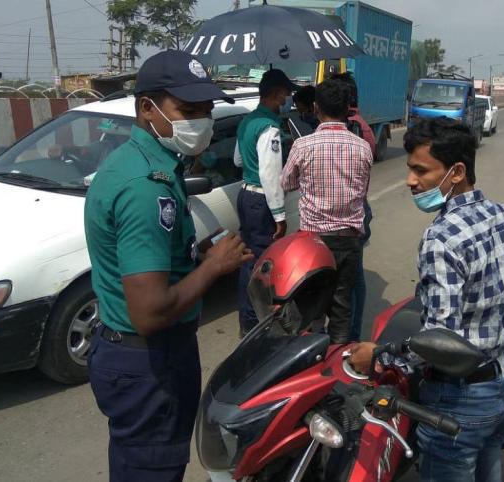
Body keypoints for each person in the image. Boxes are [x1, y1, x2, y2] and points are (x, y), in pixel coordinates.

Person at [349, 118, 504, 482]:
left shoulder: (441, 239)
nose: (410, 181)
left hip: (458, 403)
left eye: (421, 170)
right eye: (409, 169)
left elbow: (439, 341)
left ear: (457, 172)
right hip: (500, 390)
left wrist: (379, 354)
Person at [84, 50, 254, 481]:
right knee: (152, 468)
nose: (202, 122)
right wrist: (215, 267)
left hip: (138, 355)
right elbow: (149, 311)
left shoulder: (152, 165)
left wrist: (193, 255)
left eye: (207, 111)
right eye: (188, 110)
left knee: (138, 462)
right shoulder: (146, 187)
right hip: (149, 362)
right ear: (147, 108)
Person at [280, 79, 373, 344]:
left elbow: (286, 183)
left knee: (310, 304)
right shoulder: (362, 147)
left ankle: (310, 359)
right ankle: (338, 359)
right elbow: (362, 191)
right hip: (348, 239)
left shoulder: (303, 145)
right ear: (347, 109)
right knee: (342, 304)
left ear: (316, 108)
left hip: (313, 240)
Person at [234, 69, 298, 334]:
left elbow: (238, 160)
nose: (288, 98)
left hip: (246, 195)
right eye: (285, 93)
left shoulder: (247, 121)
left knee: (248, 259)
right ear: (276, 93)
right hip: (261, 200)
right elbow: (270, 175)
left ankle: (247, 321)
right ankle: (257, 327)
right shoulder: (269, 126)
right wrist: (280, 215)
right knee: (262, 265)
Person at [329, 71, 377, 341]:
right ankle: (349, 334)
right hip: (356, 211)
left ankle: (348, 336)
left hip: (348, 214)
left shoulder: (354, 130)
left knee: (350, 280)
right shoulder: (362, 129)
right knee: (352, 278)